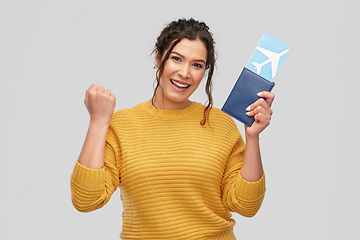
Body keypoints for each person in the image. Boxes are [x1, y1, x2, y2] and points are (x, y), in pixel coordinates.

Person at [71, 18, 274, 240]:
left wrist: (252, 138)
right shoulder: (122, 125)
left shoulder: (221, 123)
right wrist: (98, 122)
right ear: (158, 58)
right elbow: (86, 200)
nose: (185, 73)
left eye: (197, 65)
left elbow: (246, 206)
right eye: (176, 59)